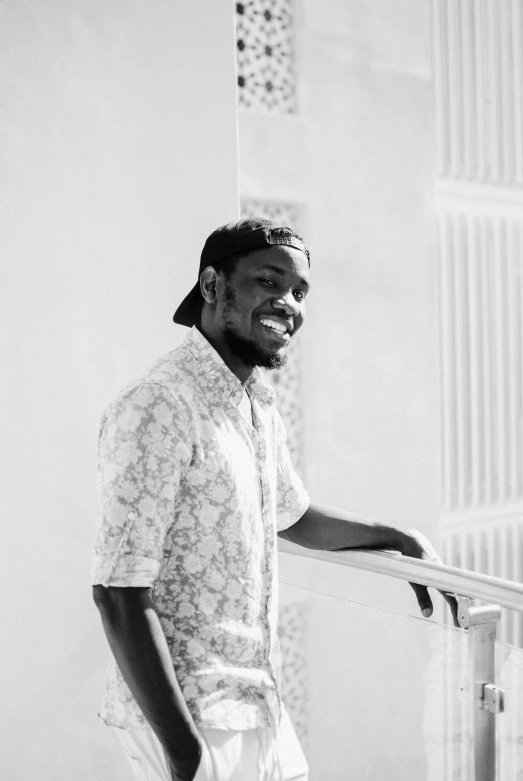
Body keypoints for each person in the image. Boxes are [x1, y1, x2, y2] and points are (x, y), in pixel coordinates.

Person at [91, 216, 458, 781]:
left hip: (258, 697)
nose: (289, 303)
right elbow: (118, 590)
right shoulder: (158, 403)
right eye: (270, 282)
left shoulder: (256, 403)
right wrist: (184, 750)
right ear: (213, 287)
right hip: (193, 715)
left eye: (299, 291)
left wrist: (400, 538)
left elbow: (293, 516)